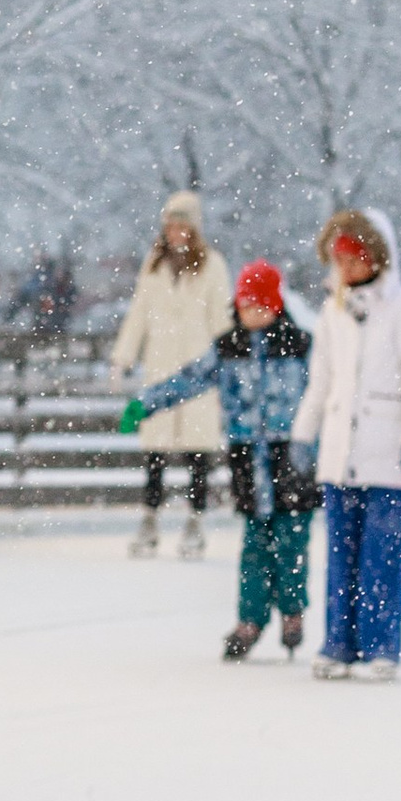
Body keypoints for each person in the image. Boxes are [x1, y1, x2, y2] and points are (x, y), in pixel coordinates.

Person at [119, 258, 316, 660]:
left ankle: (292, 611)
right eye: (245, 305)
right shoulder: (228, 349)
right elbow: (188, 379)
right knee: (255, 545)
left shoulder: (300, 346)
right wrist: (146, 403)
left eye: (260, 305)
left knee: (291, 539)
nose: (252, 313)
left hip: (292, 457)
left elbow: (331, 391)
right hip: (247, 458)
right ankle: (250, 620)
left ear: (275, 305)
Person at [290, 207, 401, 681]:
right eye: (340, 260)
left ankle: (381, 646)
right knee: (342, 557)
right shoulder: (332, 312)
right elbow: (321, 380)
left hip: (390, 456)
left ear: (378, 257)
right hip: (341, 455)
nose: (348, 268)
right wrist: (303, 433)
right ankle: (338, 642)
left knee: (384, 557)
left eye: (356, 258)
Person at [110, 190, 233, 557]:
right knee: (155, 452)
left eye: (182, 226)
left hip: (198, 371)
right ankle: (149, 519)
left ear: (194, 229)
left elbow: (222, 321)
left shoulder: (213, 266)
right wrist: (123, 357)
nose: (176, 232)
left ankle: (195, 521)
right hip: (161, 366)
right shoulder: (154, 266)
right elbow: (139, 314)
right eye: (171, 226)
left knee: (198, 453)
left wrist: (227, 364)